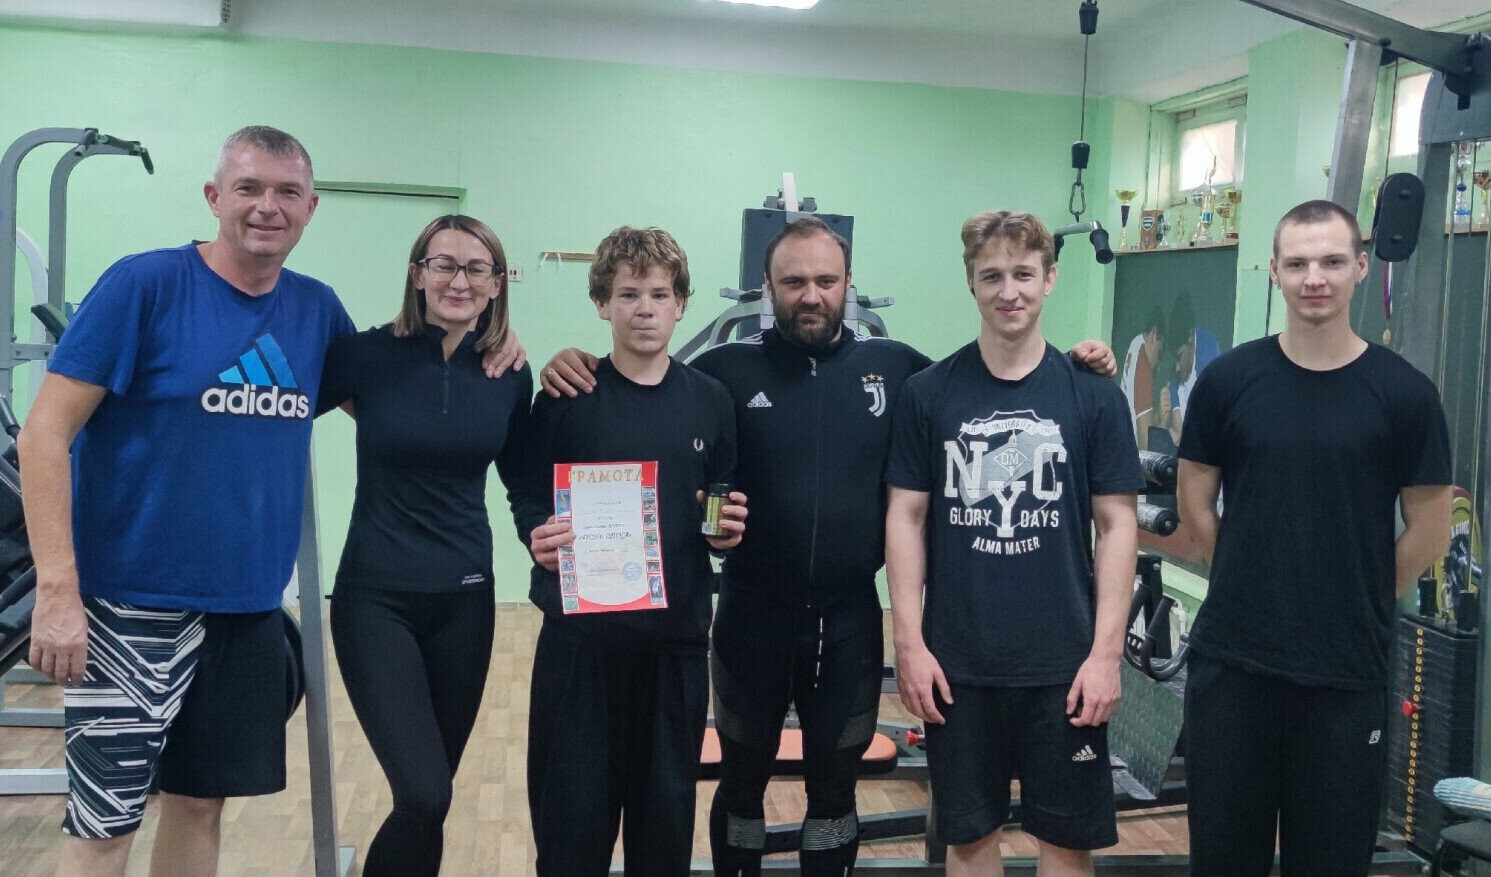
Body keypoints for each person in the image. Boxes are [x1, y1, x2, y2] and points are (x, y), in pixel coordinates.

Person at [539, 217, 1117, 875]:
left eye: (825, 280)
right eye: (793, 282)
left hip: (848, 624)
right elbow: (651, 399)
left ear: (847, 284)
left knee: (835, 794)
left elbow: (988, 381)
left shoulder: (898, 369)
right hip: (750, 619)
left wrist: (1081, 364)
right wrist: (577, 362)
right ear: (768, 288)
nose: (810, 294)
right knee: (740, 787)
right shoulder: (722, 372)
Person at [19, 126, 352, 877]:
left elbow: (398, 402)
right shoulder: (145, 285)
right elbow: (44, 434)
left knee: (201, 804)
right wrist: (58, 589)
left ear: (310, 208)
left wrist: (493, 346)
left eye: (287, 192)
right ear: (214, 196)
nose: (267, 207)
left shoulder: (315, 310)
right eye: (248, 188)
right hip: (128, 607)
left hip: (247, 609)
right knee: (105, 821)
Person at [1176, 199, 1451, 876]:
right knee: (1222, 863)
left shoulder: (1405, 394)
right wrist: (1245, 576)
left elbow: (1430, 529)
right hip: (1233, 668)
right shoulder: (1228, 381)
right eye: (1297, 264)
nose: (1314, 278)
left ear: (1360, 266)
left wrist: (1359, 595)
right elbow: (1194, 502)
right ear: (1274, 272)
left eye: (1330, 261)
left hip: (1344, 676)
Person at [885, 210, 1141, 877]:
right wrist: (909, 644)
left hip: (1064, 664)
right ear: (970, 282)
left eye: (1023, 274)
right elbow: (905, 518)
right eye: (991, 275)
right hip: (958, 664)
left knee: (1067, 843)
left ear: (1049, 279)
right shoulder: (927, 394)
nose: (1008, 291)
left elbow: (1117, 526)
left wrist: (1105, 656)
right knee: (969, 840)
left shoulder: (1093, 397)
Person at [519, 226, 748, 876]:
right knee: (570, 830)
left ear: (681, 305)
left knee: (663, 831)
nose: (644, 308)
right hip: (580, 646)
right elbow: (527, 490)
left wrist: (722, 534)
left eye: (659, 294)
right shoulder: (566, 395)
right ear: (602, 304)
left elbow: (720, 498)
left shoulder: (710, 401)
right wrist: (536, 532)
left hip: (674, 647)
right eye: (628, 294)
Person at [315, 215, 531, 877]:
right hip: (375, 602)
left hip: (465, 604)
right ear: (417, 274)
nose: (458, 280)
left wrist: (547, 542)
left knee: (431, 800)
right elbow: (274, 413)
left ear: (497, 283)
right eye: (443, 264)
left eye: (476, 268)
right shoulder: (365, 355)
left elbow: (523, 481)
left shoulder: (508, 373)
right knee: (423, 792)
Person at [1121, 307, 1164, 449]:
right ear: (1154, 335)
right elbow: (1145, 444)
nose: (1158, 366)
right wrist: (1164, 420)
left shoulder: (1135, 343)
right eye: (1159, 354)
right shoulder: (1143, 361)